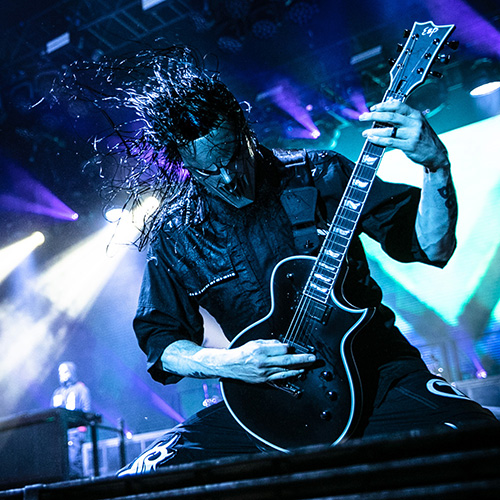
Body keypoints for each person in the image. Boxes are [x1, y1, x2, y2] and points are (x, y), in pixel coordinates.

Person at [70, 46, 496, 476]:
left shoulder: (321, 175)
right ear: (182, 165)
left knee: (481, 444)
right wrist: (230, 364)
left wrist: (436, 166)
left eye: (232, 158)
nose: (228, 178)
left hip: (379, 377)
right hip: (264, 401)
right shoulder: (178, 234)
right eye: (208, 171)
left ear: (245, 132)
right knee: (138, 481)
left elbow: (433, 248)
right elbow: (162, 343)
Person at [51, 361, 91, 478]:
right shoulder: (57, 392)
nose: (61, 374)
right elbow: (52, 413)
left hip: (75, 433)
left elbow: (86, 410)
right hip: (60, 434)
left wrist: (81, 430)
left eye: (65, 371)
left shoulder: (81, 389)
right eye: (60, 372)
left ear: (72, 372)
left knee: (73, 462)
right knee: (60, 464)